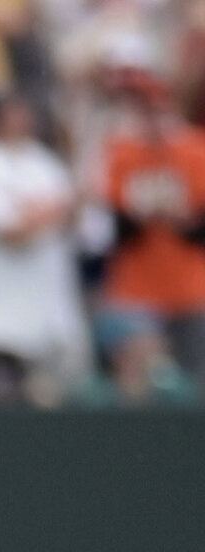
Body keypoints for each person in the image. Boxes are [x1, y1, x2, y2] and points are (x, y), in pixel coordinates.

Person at [0, 92, 81, 402]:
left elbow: (78, 222)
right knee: (3, 412)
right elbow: (8, 232)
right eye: (11, 112)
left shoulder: (44, 162)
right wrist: (57, 209)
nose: (21, 119)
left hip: (49, 322)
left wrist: (46, 212)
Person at [97, 72, 205, 380]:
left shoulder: (195, 151)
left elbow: (199, 230)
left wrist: (175, 215)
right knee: (139, 377)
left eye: (158, 107)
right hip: (137, 289)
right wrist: (149, 211)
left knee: (195, 379)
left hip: (191, 287)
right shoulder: (122, 153)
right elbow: (119, 229)